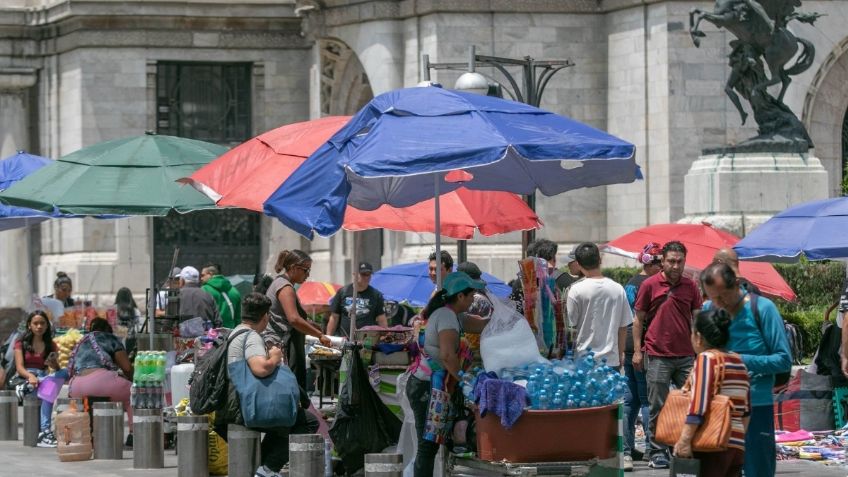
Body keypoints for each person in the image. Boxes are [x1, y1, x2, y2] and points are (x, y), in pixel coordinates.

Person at [700, 262, 791, 477]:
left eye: (722, 297)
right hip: (719, 408)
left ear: (736, 285)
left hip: (757, 403)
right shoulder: (709, 310)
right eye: (712, 297)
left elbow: (784, 359)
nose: (718, 303)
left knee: (758, 469)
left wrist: (741, 360)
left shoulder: (763, 309)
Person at [225, 292, 319, 477]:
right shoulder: (251, 337)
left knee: (282, 423)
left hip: (234, 401)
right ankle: (269, 469)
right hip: (242, 406)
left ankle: (263, 468)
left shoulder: (236, 331)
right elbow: (261, 368)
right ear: (265, 315)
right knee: (308, 421)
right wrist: (275, 357)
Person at [407, 272, 489, 477]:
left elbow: (482, 324)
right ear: (460, 296)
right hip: (427, 387)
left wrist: (510, 316)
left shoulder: (455, 316)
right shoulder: (446, 316)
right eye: (471, 296)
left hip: (434, 386)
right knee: (428, 446)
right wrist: (464, 380)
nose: (473, 300)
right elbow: (447, 356)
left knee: (433, 444)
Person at [632, 241, 703, 469]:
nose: (675, 265)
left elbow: (698, 319)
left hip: (685, 356)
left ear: (684, 262)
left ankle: (684, 447)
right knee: (657, 407)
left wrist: (701, 351)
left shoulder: (690, 286)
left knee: (690, 405)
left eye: (679, 261)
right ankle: (656, 451)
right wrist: (636, 351)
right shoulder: (650, 285)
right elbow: (638, 320)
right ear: (662, 261)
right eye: (671, 261)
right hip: (657, 354)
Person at [672, 308, 751, 477]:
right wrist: (735, 438)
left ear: (698, 337)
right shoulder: (739, 362)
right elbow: (746, 411)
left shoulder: (706, 359)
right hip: (736, 446)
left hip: (710, 443)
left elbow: (698, 404)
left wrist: (685, 440)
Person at [263, 250, 331, 390]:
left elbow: (292, 317)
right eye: (306, 270)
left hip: (286, 342)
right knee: (291, 387)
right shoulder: (285, 287)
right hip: (284, 344)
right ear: (294, 268)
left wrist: (310, 324)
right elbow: (293, 319)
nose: (308, 275)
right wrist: (319, 335)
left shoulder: (283, 284)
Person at [622, 242, 662, 468]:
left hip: (629, 346)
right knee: (647, 399)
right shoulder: (649, 285)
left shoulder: (629, 284)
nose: (662, 267)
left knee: (630, 401)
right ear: (650, 263)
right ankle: (650, 449)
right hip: (643, 347)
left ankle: (626, 450)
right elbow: (643, 318)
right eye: (659, 262)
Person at [68, 318, 135, 447]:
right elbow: (126, 367)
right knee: (134, 393)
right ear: (108, 330)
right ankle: (134, 434)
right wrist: (133, 379)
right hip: (101, 382)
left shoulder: (81, 341)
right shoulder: (109, 338)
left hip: (76, 386)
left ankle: (85, 436)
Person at [565, 242, 632, 368]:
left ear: (578, 264)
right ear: (600, 260)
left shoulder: (575, 290)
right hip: (611, 361)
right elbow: (623, 327)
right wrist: (620, 354)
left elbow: (571, 325)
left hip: (584, 361)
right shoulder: (618, 289)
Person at [13, 310, 66, 447]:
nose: (39, 326)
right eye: (35, 323)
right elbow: (19, 367)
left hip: (43, 377)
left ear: (47, 326)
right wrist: (31, 376)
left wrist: (54, 364)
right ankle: (45, 432)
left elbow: (56, 370)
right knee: (48, 393)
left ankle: (27, 389)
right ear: (29, 325)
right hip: (27, 375)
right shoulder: (21, 343)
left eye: (42, 323)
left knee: (64, 373)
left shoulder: (51, 345)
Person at [326, 262, 387, 337]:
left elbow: (381, 319)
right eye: (363, 274)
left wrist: (385, 337)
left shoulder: (376, 295)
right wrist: (328, 336)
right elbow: (334, 317)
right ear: (354, 274)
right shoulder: (343, 292)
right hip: (344, 339)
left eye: (369, 274)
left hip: (367, 341)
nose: (367, 277)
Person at [201, 263, 243, 329]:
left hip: (211, 334)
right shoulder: (235, 291)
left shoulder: (204, 289)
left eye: (203, 275)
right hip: (231, 333)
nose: (201, 278)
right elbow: (238, 318)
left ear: (210, 274)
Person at [114, 287, 141, 354]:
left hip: (118, 341)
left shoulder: (113, 310)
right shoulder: (135, 311)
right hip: (129, 340)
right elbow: (138, 328)